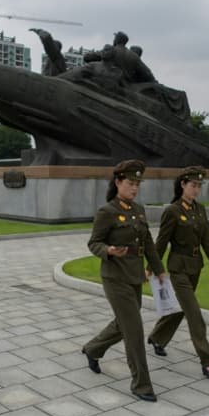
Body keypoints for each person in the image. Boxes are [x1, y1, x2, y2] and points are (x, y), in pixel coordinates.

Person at [82, 159, 166, 402]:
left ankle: (93, 349)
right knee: (134, 330)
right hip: (115, 277)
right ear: (118, 182)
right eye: (131, 183)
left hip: (134, 275)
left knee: (124, 323)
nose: (135, 188)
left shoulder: (138, 209)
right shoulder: (107, 212)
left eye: (138, 184)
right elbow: (93, 243)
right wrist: (108, 250)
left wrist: (158, 270)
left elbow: (148, 243)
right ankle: (141, 384)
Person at [147, 166, 209, 382]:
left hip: (195, 267)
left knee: (180, 308)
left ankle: (156, 338)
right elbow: (161, 241)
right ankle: (208, 361)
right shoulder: (172, 211)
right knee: (194, 313)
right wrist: (153, 267)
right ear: (182, 184)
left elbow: (208, 240)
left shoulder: (200, 209)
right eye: (193, 185)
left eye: (199, 186)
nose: (196, 190)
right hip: (178, 269)